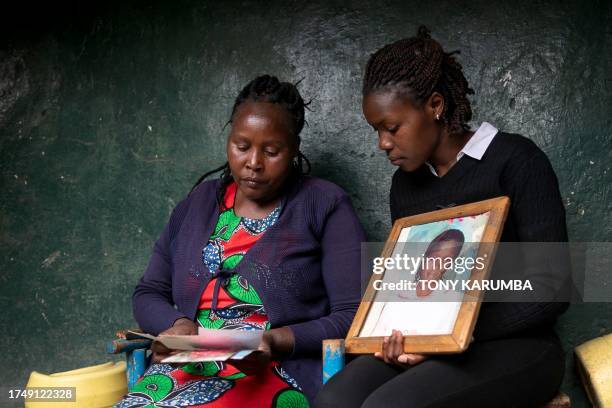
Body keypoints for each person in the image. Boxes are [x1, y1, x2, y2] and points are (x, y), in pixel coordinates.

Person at [315, 27, 569, 407]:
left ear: (434, 105)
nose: (383, 143)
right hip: (432, 342)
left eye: (392, 127)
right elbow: (410, 288)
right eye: (376, 131)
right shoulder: (405, 186)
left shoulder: (516, 160)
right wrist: (400, 336)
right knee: (334, 400)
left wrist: (451, 337)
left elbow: (552, 289)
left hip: (520, 345)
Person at [115, 75, 366, 407]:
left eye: (272, 151)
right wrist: (178, 325)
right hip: (185, 369)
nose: (254, 163)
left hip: (277, 370)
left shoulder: (325, 204)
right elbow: (149, 291)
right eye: (242, 146)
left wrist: (272, 341)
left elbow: (354, 314)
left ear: (293, 150)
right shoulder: (199, 203)